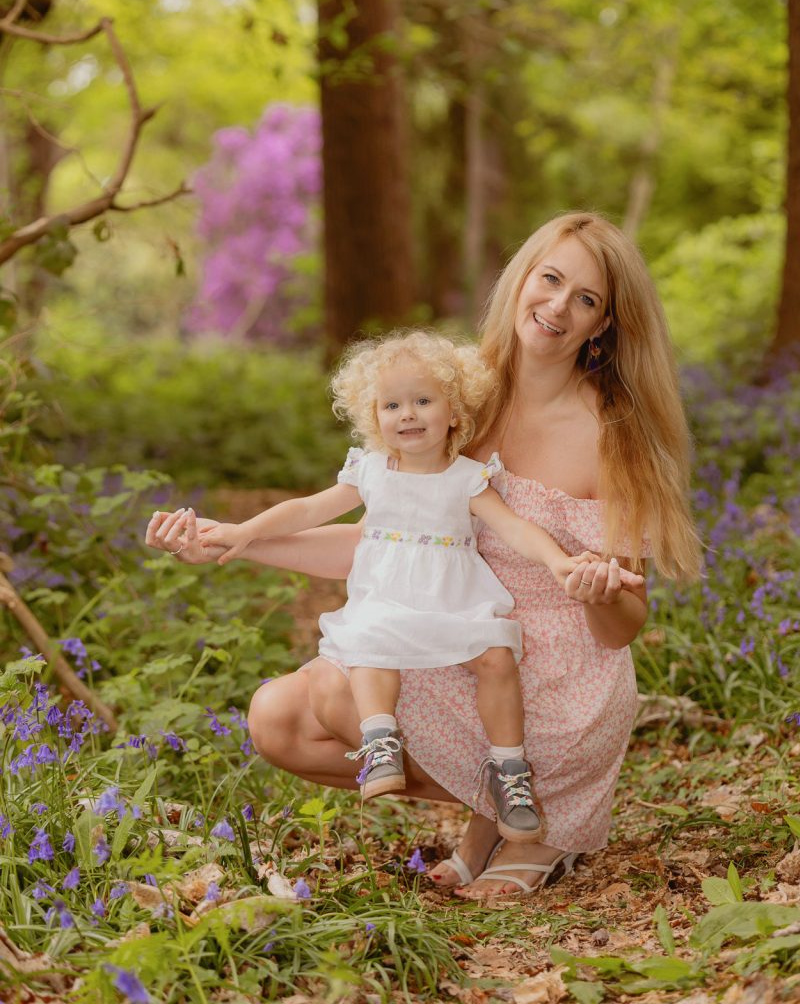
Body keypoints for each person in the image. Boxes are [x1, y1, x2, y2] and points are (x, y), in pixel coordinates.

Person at [147, 211, 701, 898]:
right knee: (278, 718)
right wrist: (237, 541)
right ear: (521, 277)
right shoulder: (454, 394)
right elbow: (391, 543)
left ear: (602, 326)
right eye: (550, 278)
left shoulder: (608, 433)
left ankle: (545, 820)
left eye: (585, 299)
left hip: (557, 677)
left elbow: (625, 624)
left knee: (332, 688)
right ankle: (497, 810)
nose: (557, 306)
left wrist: (597, 593)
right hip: (453, 634)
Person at [190, 330, 643, 841]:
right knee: (371, 647)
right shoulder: (371, 471)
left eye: (423, 401)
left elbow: (517, 529)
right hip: (389, 599)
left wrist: (562, 564)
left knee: (495, 656)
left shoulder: (468, 476)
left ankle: (507, 767)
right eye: (391, 405)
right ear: (373, 417)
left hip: (453, 600)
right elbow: (306, 509)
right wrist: (243, 532)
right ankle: (379, 738)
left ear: (453, 412)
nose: (407, 414)